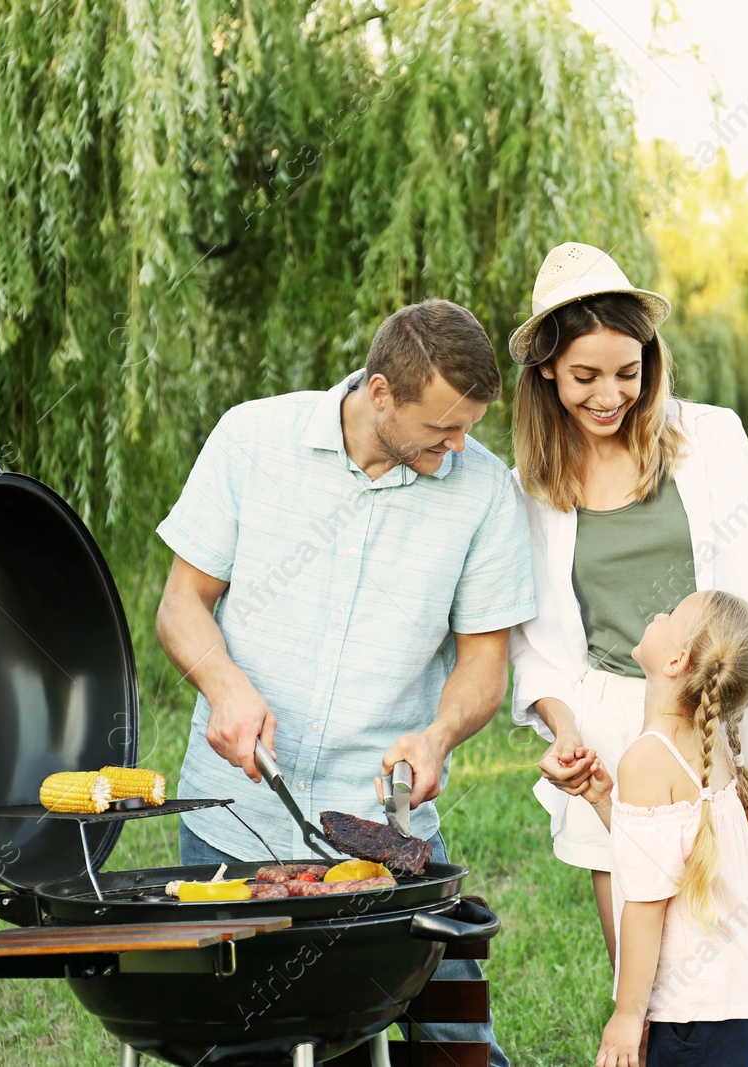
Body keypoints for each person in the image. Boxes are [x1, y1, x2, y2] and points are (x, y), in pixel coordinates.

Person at [154, 299, 535, 1065]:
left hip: (387, 833)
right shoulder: (252, 438)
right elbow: (180, 606)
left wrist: (438, 734)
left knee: (457, 1043)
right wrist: (225, 685)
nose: (460, 447)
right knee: (245, 1045)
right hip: (235, 822)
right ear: (381, 391)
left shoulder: (485, 490)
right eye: (442, 431)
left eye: (469, 428)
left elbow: (484, 663)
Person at [507, 242, 748, 1066]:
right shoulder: (532, 484)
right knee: (669, 1021)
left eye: (626, 371)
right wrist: (563, 731)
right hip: (625, 753)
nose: (609, 394)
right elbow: (541, 651)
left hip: (733, 737)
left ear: (650, 360)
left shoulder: (708, 438)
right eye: (586, 375)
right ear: (549, 372)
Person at [580, 590, 748, 1067]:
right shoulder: (706, 741)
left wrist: (629, 1015)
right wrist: (606, 802)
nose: (657, 613)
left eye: (670, 615)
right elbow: (669, 857)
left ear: (676, 660)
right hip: (740, 988)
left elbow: (647, 906)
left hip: (697, 1005)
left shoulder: (651, 756)